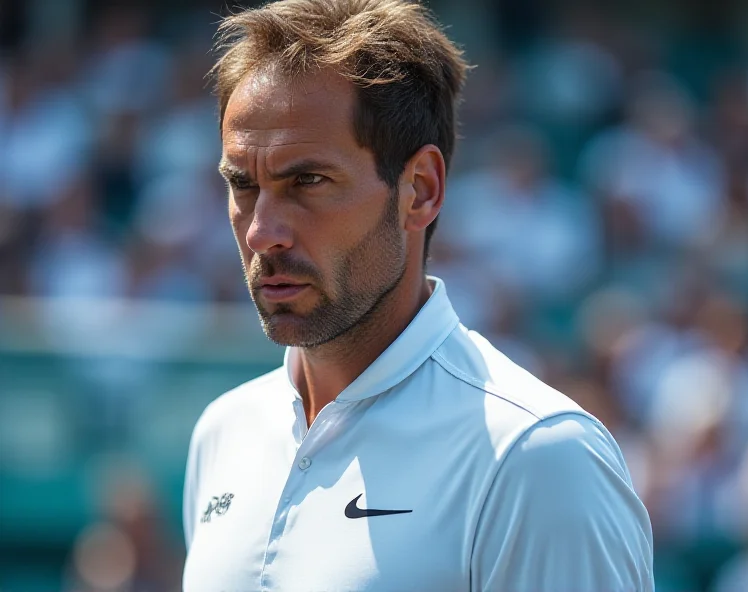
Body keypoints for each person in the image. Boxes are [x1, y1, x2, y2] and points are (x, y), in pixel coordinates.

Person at [182, 0, 654, 590]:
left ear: (420, 190)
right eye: (243, 185)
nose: (261, 231)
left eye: (308, 181)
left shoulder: (538, 456)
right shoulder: (223, 432)